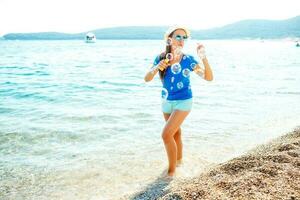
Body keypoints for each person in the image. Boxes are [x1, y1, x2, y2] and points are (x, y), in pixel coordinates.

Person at [144, 26, 213, 177]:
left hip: (184, 100)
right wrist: (157, 67)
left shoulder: (188, 60)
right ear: (169, 39)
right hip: (166, 101)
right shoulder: (161, 58)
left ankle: (171, 173)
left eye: (184, 38)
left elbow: (208, 77)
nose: (181, 41)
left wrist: (204, 58)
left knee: (166, 135)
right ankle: (180, 161)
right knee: (175, 134)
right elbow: (147, 78)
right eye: (178, 37)